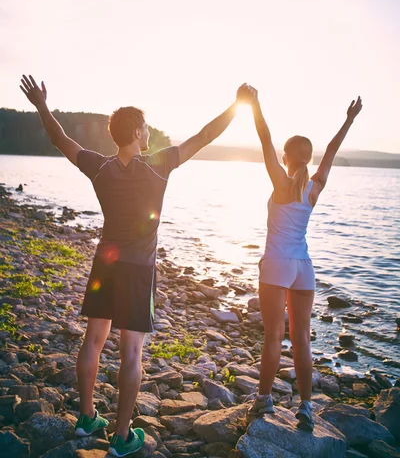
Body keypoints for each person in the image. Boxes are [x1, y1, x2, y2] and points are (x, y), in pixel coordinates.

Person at [20, 74, 247, 456]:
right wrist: (238, 106)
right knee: (131, 353)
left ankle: (87, 417)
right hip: (137, 271)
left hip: (105, 265)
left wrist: (42, 105)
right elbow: (205, 136)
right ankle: (121, 437)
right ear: (139, 132)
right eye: (145, 128)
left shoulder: (100, 167)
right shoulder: (161, 163)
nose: (147, 133)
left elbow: (60, 140)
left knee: (92, 340)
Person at [245, 84, 362, 431]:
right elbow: (332, 149)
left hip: (277, 266)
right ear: (307, 159)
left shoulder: (281, 182)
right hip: (303, 269)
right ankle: (307, 407)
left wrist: (255, 104)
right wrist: (349, 120)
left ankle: (264, 400)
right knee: (302, 339)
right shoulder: (314, 188)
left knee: (272, 338)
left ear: (286, 157)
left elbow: (264, 138)